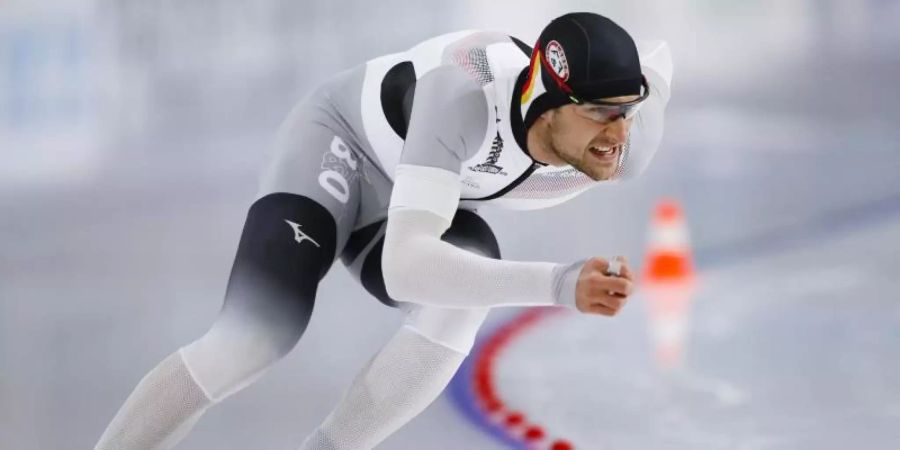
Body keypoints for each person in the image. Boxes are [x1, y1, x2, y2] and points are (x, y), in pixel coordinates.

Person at [95, 11, 672, 450]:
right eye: (601, 111)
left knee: (458, 303)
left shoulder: (624, 149)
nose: (619, 132)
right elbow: (405, 264)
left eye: (628, 110)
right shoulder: (465, 95)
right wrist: (559, 284)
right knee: (254, 338)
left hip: (424, 190)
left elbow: (660, 66)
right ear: (548, 100)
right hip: (342, 147)